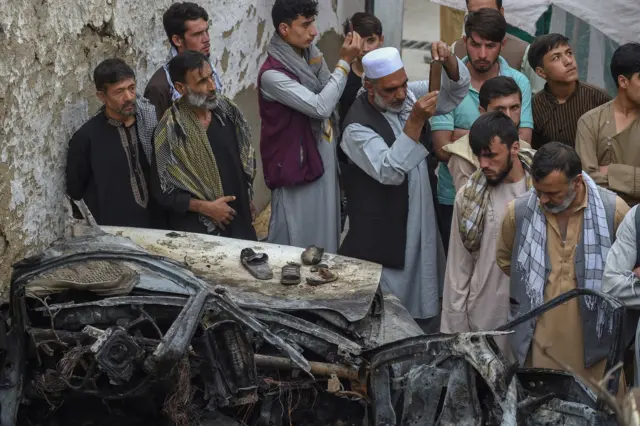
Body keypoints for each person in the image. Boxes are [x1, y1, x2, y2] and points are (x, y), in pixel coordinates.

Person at [340, 45, 470, 329]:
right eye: (390, 90)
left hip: (420, 212)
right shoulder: (356, 128)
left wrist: (449, 61)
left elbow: (453, 94)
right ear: (369, 87)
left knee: (424, 283)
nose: (400, 95)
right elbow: (389, 171)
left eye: (403, 85)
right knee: (390, 307)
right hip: (386, 227)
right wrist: (415, 120)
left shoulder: (407, 95)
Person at [496, 142, 629, 390]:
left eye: (553, 193)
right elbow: (507, 261)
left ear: (576, 182)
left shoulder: (614, 211)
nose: (543, 199)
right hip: (541, 344)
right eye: (539, 192)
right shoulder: (520, 212)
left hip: (597, 345)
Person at [258, 0, 361, 253]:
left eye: (312, 22)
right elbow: (320, 107)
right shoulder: (272, 74)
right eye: (305, 25)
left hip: (321, 155)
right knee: (297, 241)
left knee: (326, 234)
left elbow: (330, 89)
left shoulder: (311, 55)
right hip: (297, 167)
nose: (313, 31)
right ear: (284, 29)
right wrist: (345, 63)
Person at [431, 8, 533, 253]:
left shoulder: (519, 82)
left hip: (508, 196)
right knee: (459, 268)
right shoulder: (447, 80)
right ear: (465, 42)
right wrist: (500, 141)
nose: (483, 54)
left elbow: (523, 143)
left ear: (502, 44)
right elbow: (442, 148)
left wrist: (462, 135)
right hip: (454, 196)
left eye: (490, 45)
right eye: (476, 45)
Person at [441, 112, 532, 352]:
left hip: (534, 315)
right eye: (479, 156)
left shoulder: (541, 191)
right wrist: (455, 332)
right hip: (485, 315)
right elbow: (458, 268)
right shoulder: (470, 197)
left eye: (491, 156)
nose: (483, 165)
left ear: (514, 148)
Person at [151, 51, 257, 240]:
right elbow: (163, 193)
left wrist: (246, 197)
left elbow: (241, 163)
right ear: (181, 87)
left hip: (239, 220)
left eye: (211, 77)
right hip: (201, 231)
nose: (212, 86)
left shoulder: (227, 112)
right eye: (202, 82)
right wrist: (206, 208)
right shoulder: (170, 130)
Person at [66, 58, 164, 228]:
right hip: (115, 233)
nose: (128, 97)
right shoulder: (86, 138)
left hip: (159, 226)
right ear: (102, 96)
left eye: (131, 88)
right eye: (119, 92)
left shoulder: (150, 124)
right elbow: (76, 190)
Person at [576, 43, 640, 207]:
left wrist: (612, 172)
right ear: (623, 81)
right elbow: (586, 180)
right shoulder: (590, 121)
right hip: (601, 214)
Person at [444, 76, 532, 191]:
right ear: (482, 112)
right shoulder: (463, 155)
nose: (509, 116)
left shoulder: (526, 150)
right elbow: (468, 204)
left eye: (514, 107)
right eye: (499, 110)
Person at [529, 34, 611, 149]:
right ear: (541, 72)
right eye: (556, 57)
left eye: (569, 53)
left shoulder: (598, 98)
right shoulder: (535, 107)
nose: (568, 61)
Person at [144, 2, 224, 121]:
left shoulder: (208, 65)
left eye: (206, 31)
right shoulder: (160, 88)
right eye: (197, 34)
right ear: (177, 40)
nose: (206, 39)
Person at [451, 0, 545, 94]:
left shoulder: (524, 52)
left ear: (501, 13)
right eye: (474, 14)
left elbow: (538, 99)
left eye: (488, 12)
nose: (480, 19)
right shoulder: (456, 49)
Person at [338, 12, 384, 129]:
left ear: (381, 40)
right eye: (359, 42)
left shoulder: (390, 74)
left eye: (371, 40)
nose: (365, 49)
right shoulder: (341, 78)